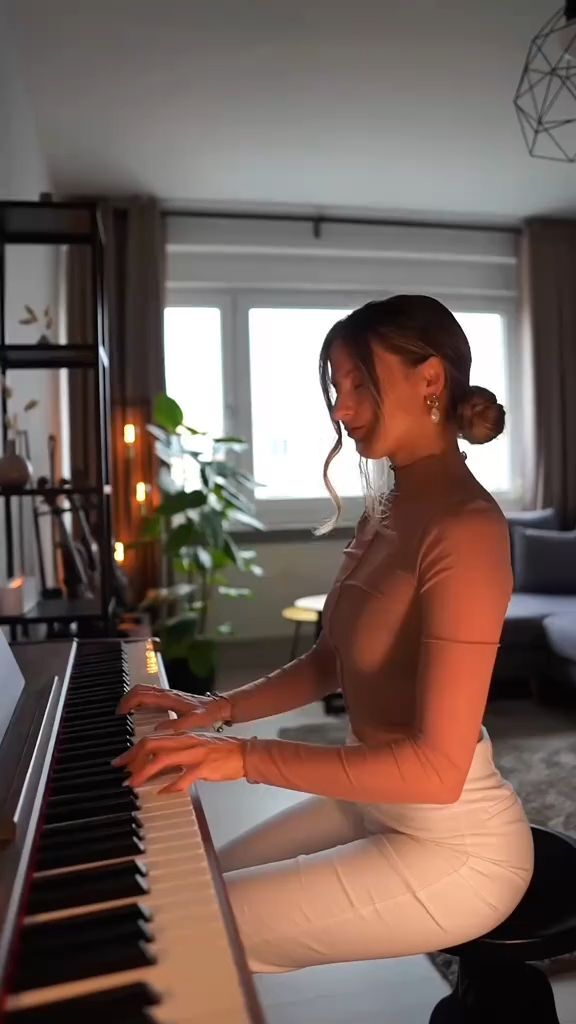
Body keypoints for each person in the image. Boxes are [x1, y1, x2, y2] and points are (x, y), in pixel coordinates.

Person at [115, 294, 534, 974]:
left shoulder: (467, 528)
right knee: (181, 885)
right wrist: (215, 709)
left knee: (179, 935)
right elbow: (330, 661)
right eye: (337, 389)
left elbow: (436, 771)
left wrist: (240, 757)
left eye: (358, 384)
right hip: (372, 801)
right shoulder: (387, 507)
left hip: (455, 848)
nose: (341, 409)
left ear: (430, 379)